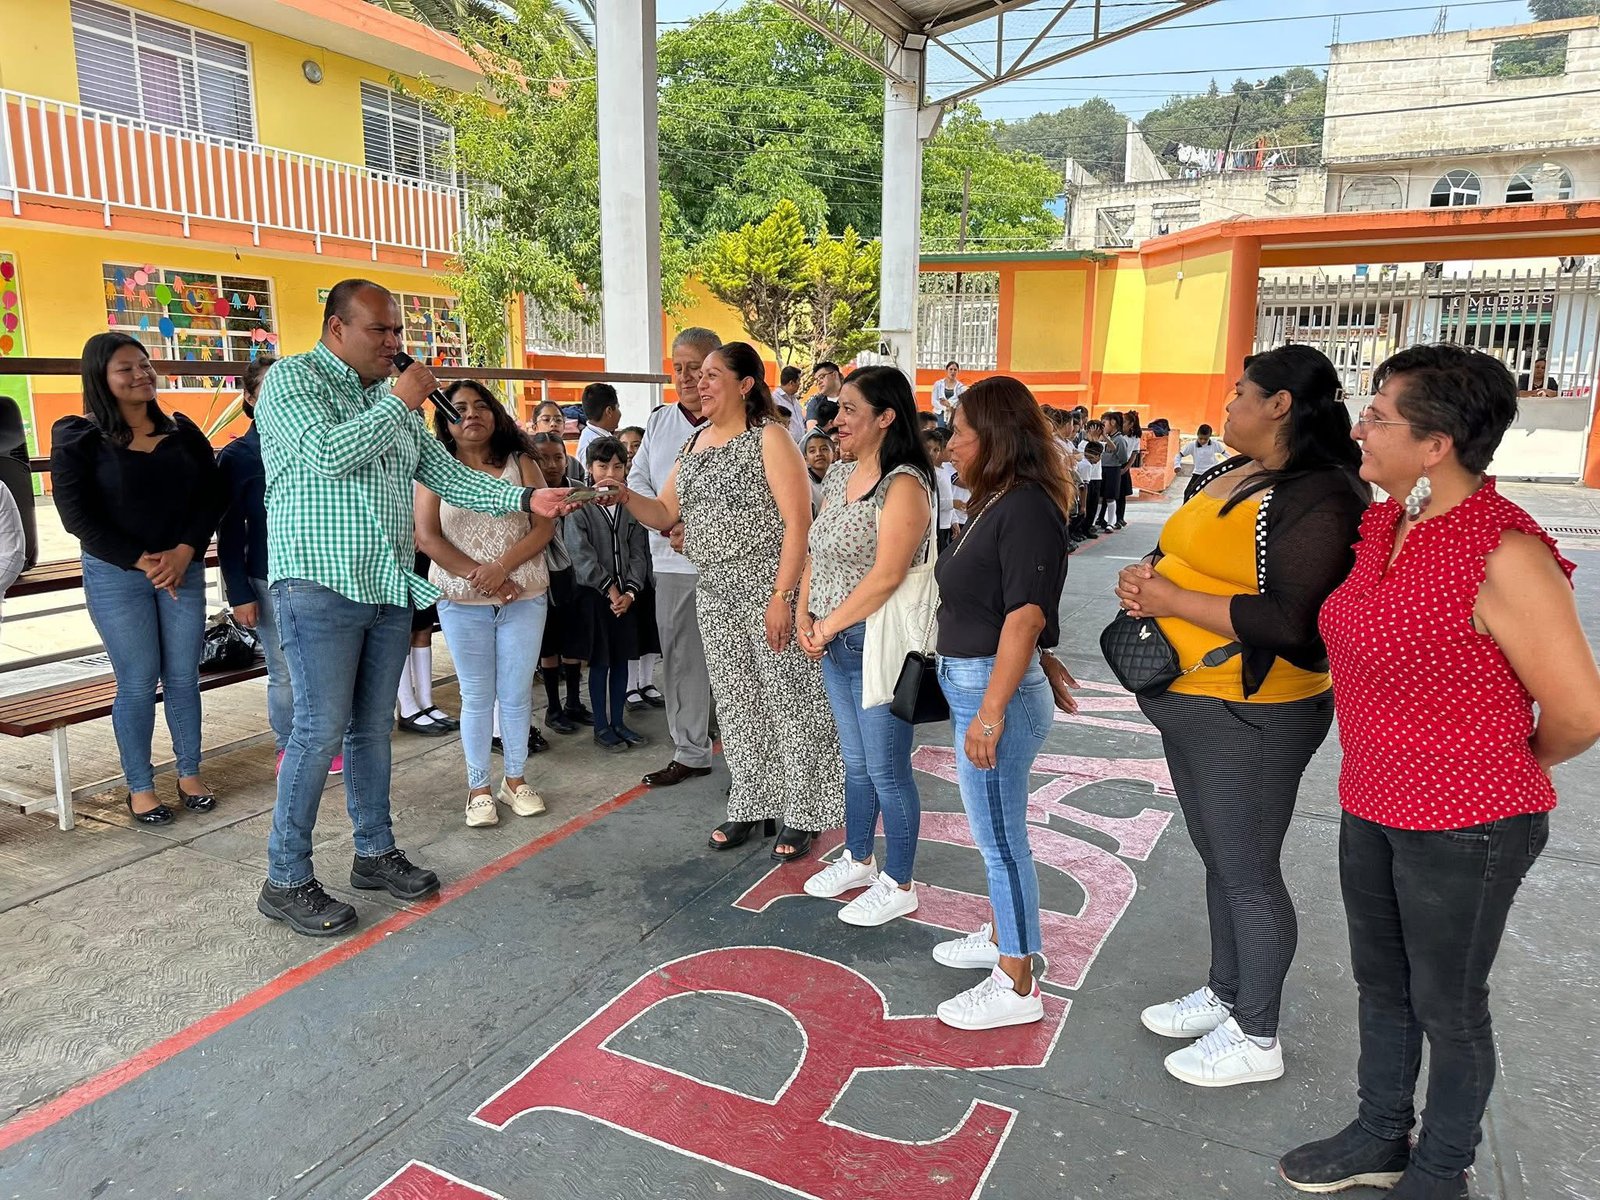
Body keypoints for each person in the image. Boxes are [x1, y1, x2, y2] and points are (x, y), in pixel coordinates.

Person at [1279, 344, 1600, 1200]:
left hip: (1467, 825)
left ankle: (1440, 1170)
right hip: (1372, 801)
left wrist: (1497, 772)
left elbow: (1578, 712)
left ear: (1437, 444)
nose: (1359, 428)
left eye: (1379, 416)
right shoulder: (1387, 526)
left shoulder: (1503, 553)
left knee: (1449, 1010)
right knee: (1382, 986)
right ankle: (1382, 1133)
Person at [252, 279, 573, 937]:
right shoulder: (293, 382)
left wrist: (523, 502)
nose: (395, 344)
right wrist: (400, 402)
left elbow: (446, 474)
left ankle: (374, 852)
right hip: (317, 584)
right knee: (317, 731)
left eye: (398, 332)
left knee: (372, 730)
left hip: (386, 585)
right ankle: (285, 877)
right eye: (382, 331)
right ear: (337, 328)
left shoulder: (385, 402)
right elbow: (327, 455)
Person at [1114, 345, 1369, 1088]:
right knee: (1219, 858)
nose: (1227, 406)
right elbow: (1180, 549)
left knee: (1248, 871)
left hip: (1254, 710)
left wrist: (1171, 601)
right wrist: (1146, 576)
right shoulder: (1234, 472)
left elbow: (1292, 620)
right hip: (1191, 698)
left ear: (1281, 405)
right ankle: (1228, 993)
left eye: (1240, 395)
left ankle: (1258, 1035)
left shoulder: (1323, 494)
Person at [619, 342, 845, 859]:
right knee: (738, 701)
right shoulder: (694, 442)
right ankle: (751, 802)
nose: (700, 382)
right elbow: (661, 513)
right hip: (715, 590)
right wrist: (622, 494)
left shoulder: (770, 438)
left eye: (713, 374)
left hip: (769, 586)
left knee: (790, 700)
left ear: (745, 384)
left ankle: (804, 810)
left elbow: (798, 523)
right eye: (699, 375)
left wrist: (783, 598)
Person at [927, 377, 1077, 1031]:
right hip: (987, 683)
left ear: (994, 435)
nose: (951, 441)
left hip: (995, 693)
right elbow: (1006, 605)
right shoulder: (1000, 502)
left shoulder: (1024, 508)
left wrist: (991, 712)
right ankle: (1001, 935)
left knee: (1001, 842)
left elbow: (1024, 616)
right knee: (997, 834)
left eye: (960, 429)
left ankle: (1017, 980)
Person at [51, 332, 223, 825]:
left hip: (181, 570)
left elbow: (210, 498)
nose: (141, 375)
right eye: (126, 368)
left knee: (184, 677)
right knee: (137, 679)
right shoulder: (77, 437)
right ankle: (140, 787)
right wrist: (144, 561)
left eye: (145, 365)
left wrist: (185, 551)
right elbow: (76, 516)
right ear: (101, 378)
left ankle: (189, 772)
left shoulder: (183, 431)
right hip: (117, 575)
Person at [797, 366, 935, 925]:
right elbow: (815, 550)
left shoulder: (903, 485)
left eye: (851, 409)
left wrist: (827, 626)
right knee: (854, 763)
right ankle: (858, 857)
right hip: (832, 640)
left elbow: (887, 575)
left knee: (887, 769)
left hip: (875, 642)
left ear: (886, 417)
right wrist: (806, 612)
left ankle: (899, 880)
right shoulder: (838, 477)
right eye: (837, 408)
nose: (838, 419)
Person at [414, 380, 553, 828]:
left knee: (514, 694)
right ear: (445, 419)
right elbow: (428, 536)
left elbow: (543, 525)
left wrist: (502, 570)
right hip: (461, 599)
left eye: (481, 405)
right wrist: (484, 577)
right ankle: (478, 789)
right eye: (459, 408)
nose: (471, 414)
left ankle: (515, 781)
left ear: (495, 414)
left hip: (525, 593)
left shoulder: (521, 462)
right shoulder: (435, 467)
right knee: (476, 696)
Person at [219, 355, 347, 778]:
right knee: (285, 671)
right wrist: (239, 593)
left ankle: (328, 741)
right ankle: (287, 746)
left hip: (323, 569)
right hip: (268, 577)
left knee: (327, 667)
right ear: (251, 398)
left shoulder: (315, 442)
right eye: (270, 388)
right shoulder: (238, 456)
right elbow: (231, 531)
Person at [627, 328, 719, 788]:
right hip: (672, 560)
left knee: (736, 658)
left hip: (729, 562)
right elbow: (638, 480)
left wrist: (699, 527)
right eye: (677, 367)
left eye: (695, 367)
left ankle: (745, 750)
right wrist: (666, 523)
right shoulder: (661, 421)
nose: (685, 377)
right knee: (682, 658)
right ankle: (691, 749)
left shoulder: (742, 425)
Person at [566, 436, 652, 752]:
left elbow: (639, 551)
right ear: (590, 468)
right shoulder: (580, 503)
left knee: (621, 662)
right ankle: (601, 726)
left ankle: (618, 722)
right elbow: (580, 552)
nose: (611, 473)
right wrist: (610, 588)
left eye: (618, 466)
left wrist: (630, 590)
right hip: (596, 598)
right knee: (600, 663)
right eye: (603, 465)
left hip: (625, 601)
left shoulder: (631, 503)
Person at [529, 431, 592, 734]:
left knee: (574, 643)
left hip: (576, 578)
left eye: (558, 457)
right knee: (549, 645)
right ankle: (553, 707)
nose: (552, 465)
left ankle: (574, 703)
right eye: (544, 458)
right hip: (543, 578)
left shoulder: (579, 491)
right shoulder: (528, 494)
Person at [532, 399, 584, 481]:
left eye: (558, 420)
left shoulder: (575, 465)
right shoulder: (526, 461)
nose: (553, 424)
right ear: (535, 427)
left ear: (564, 426)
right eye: (546, 420)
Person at [1094, 412, 1127, 531]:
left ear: (1113, 423)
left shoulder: (1120, 439)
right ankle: (1096, 520)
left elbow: (1123, 458)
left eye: (1104, 423)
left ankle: (1111, 522)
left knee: (1110, 496)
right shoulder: (1102, 438)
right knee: (1100, 496)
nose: (1103, 427)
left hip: (1113, 469)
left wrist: (1107, 440)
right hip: (1101, 469)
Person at [922, 428, 954, 552]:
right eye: (927, 448)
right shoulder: (916, 474)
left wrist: (953, 520)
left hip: (937, 527)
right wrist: (953, 504)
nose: (931, 453)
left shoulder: (935, 472)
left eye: (936, 450)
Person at [576, 381, 621, 462]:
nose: (620, 413)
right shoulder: (595, 445)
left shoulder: (589, 434)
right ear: (609, 411)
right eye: (618, 407)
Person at [1069, 441, 1103, 542]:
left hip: (1074, 490)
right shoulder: (1086, 465)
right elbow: (1083, 486)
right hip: (1078, 493)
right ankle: (1072, 533)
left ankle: (1074, 533)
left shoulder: (1082, 461)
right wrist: (1083, 505)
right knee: (1080, 514)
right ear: (1097, 455)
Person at [802, 428, 835, 512]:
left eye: (824, 449)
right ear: (806, 459)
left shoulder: (840, 477)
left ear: (834, 455)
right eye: (812, 451)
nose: (818, 454)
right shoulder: (805, 482)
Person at [773, 365, 806, 442]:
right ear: (791, 383)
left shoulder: (795, 400)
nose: (800, 384)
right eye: (798, 381)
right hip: (785, 444)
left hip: (800, 445)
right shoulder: (774, 399)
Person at [806, 361, 843, 427]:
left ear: (834, 374)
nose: (819, 382)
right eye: (817, 380)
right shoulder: (815, 403)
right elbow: (813, 431)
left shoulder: (853, 395)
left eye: (821, 377)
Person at [931, 360, 965, 427]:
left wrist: (950, 406)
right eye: (951, 369)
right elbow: (934, 401)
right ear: (946, 370)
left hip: (953, 415)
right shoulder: (938, 384)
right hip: (939, 414)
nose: (953, 371)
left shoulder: (960, 387)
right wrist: (945, 408)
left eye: (955, 370)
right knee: (939, 433)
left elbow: (961, 402)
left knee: (951, 434)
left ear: (958, 371)